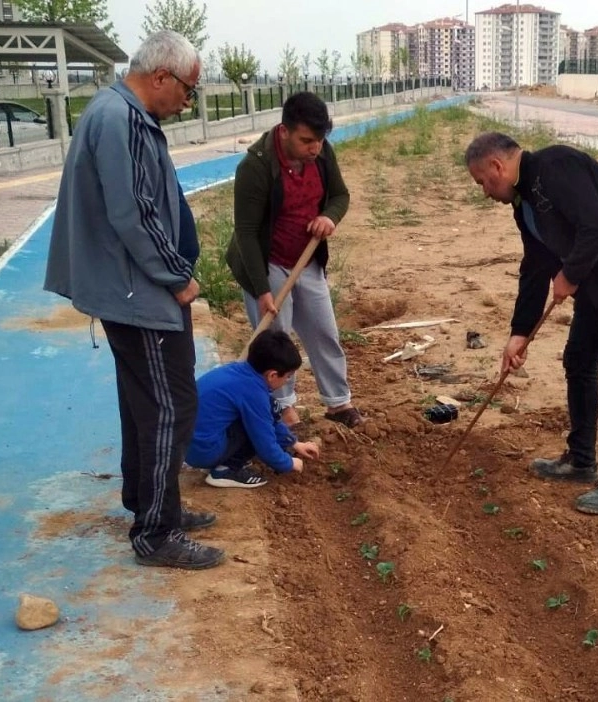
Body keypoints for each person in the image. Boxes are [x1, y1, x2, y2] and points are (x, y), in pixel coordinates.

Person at [44, 31, 224, 569]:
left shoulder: (116, 112)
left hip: (129, 286)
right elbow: (135, 212)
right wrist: (176, 277)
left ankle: (149, 500)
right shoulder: (121, 119)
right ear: (162, 76)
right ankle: (157, 532)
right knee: (171, 404)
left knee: (143, 403)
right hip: (138, 290)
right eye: (188, 90)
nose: (187, 102)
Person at [464, 132, 598, 515]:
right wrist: (518, 335)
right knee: (578, 361)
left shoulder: (557, 165)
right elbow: (535, 268)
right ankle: (581, 461)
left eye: (482, 182)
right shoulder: (523, 205)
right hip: (596, 279)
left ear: (497, 166)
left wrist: (570, 275)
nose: (484, 191)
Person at [227, 91, 363, 429]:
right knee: (276, 338)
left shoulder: (322, 153)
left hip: (307, 258)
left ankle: (337, 402)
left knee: (323, 330)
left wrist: (329, 216)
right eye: (306, 140)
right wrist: (262, 290)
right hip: (267, 260)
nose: (314, 148)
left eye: (319, 140)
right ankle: (283, 408)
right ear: (284, 131)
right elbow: (245, 232)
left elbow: (340, 196)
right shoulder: (255, 166)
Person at [186, 330, 320, 488]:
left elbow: (270, 416)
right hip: (202, 451)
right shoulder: (253, 393)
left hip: (187, 444)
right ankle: (227, 470)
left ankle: (225, 458)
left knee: (265, 410)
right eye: (288, 376)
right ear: (273, 375)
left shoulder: (240, 371)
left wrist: (294, 443)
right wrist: (288, 463)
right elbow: (265, 442)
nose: (287, 380)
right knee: (256, 426)